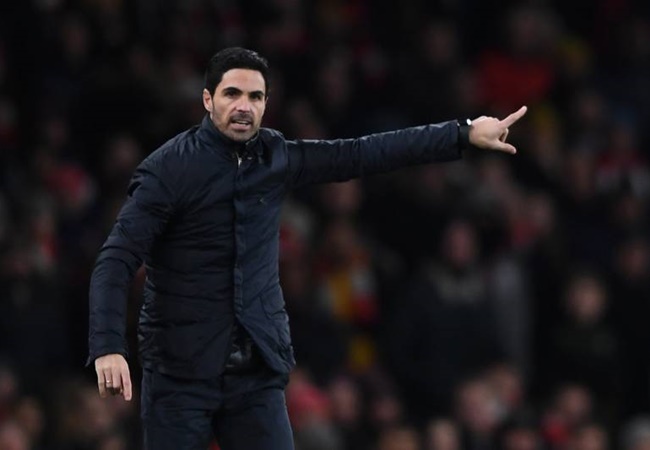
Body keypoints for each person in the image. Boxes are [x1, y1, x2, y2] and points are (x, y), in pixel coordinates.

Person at [87, 47, 527, 450]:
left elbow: (361, 153)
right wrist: (108, 345)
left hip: (255, 374)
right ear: (208, 99)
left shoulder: (276, 156)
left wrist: (462, 133)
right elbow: (117, 258)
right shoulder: (168, 170)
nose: (244, 106)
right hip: (181, 374)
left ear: (266, 104)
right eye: (232, 94)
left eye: (255, 97)